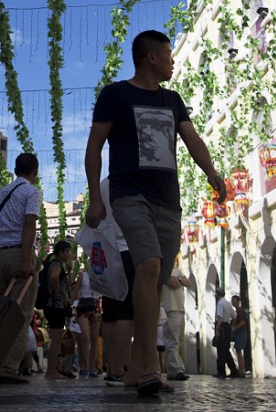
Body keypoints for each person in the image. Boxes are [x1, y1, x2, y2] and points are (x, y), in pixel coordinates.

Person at [84, 30, 226, 397]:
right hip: (129, 196)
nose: (172, 60)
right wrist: (95, 199)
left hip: (168, 201)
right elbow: (95, 146)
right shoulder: (115, 95)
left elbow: (193, 140)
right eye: (168, 54)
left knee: (155, 280)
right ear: (151, 58)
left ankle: (134, 367)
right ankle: (150, 367)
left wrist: (212, 173)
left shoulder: (173, 100)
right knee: (147, 267)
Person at [0, 153, 41, 385]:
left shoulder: (0, 194)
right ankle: (8, 368)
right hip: (19, 254)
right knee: (20, 315)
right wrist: (27, 260)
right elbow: (29, 224)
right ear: (34, 172)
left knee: (2, 314)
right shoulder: (31, 192)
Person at [95, 177, 134, 387]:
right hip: (128, 248)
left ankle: (111, 367)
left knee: (110, 313)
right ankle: (119, 368)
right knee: (126, 311)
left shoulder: (102, 184)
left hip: (106, 251)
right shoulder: (131, 179)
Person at [41, 240, 74, 380]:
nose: (69, 254)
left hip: (54, 304)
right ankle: (51, 371)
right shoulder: (56, 264)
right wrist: (56, 294)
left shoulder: (55, 264)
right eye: (67, 251)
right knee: (56, 339)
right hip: (56, 305)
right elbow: (54, 278)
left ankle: (52, 370)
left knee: (56, 339)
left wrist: (70, 271)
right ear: (60, 252)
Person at [162, 255, 190, 381]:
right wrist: (180, 280)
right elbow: (173, 283)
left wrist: (179, 279)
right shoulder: (164, 269)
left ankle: (173, 370)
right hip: (171, 308)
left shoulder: (176, 269)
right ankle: (176, 369)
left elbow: (188, 283)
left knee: (178, 341)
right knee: (172, 341)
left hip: (180, 308)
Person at [73, 262, 101, 379]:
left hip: (95, 304)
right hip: (84, 305)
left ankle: (91, 367)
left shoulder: (100, 276)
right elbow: (75, 292)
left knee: (95, 338)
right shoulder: (82, 276)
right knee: (85, 336)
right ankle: (84, 366)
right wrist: (73, 306)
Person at [214, 287, 240, 378]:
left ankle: (221, 371)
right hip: (227, 326)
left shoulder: (220, 303)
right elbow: (234, 316)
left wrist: (217, 328)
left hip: (221, 326)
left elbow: (220, 317)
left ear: (217, 294)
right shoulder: (228, 303)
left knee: (221, 349)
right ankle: (233, 370)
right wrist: (231, 326)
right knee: (226, 349)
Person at [232, 295, 248, 375]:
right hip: (239, 332)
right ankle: (241, 369)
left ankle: (241, 370)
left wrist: (235, 328)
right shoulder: (237, 311)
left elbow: (243, 321)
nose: (232, 302)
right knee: (238, 351)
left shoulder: (240, 311)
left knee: (239, 351)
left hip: (241, 332)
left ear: (238, 301)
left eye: (234, 300)